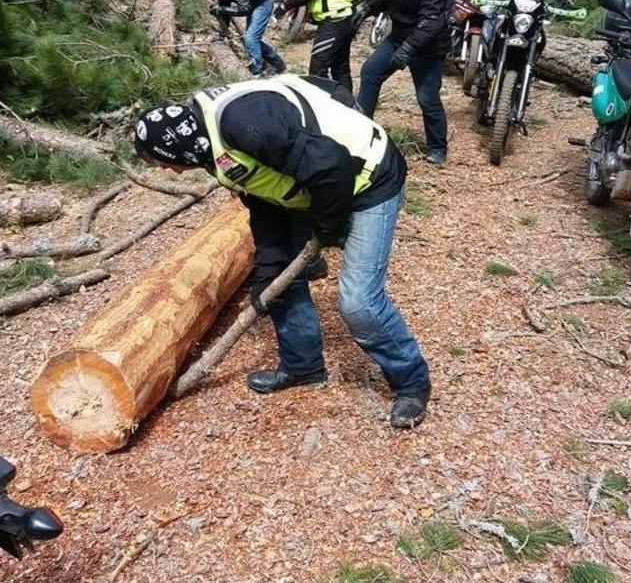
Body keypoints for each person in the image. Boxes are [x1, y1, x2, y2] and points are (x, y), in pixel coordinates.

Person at [133, 74, 432, 429]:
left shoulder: (242, 124)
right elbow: (265, 201)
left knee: (360, 302)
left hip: (367, 176)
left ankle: (411, 383)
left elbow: (331, 165)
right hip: (314, 184)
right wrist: (269, 269)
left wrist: (327, 227)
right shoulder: (209, 143)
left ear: (174, 147)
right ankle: (303, 367)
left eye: (163, 161)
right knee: (278, 280)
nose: (169, 170)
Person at [355, 0, 450, 165]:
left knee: (427, 97)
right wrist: (368, 9)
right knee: (371, 72)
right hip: (400, 36)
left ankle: (437, 147)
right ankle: (361, 130)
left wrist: (409, 48)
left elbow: (433, 21)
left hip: (427, 45)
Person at [200, 0, 286, 76]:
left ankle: (257, 70)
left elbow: (245, 9)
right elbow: (225, 12)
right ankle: (278, 64)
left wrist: (222, 9)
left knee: (251, 39)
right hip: (251, 3)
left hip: (262, 2)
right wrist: (222, 34)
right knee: (251, 40)